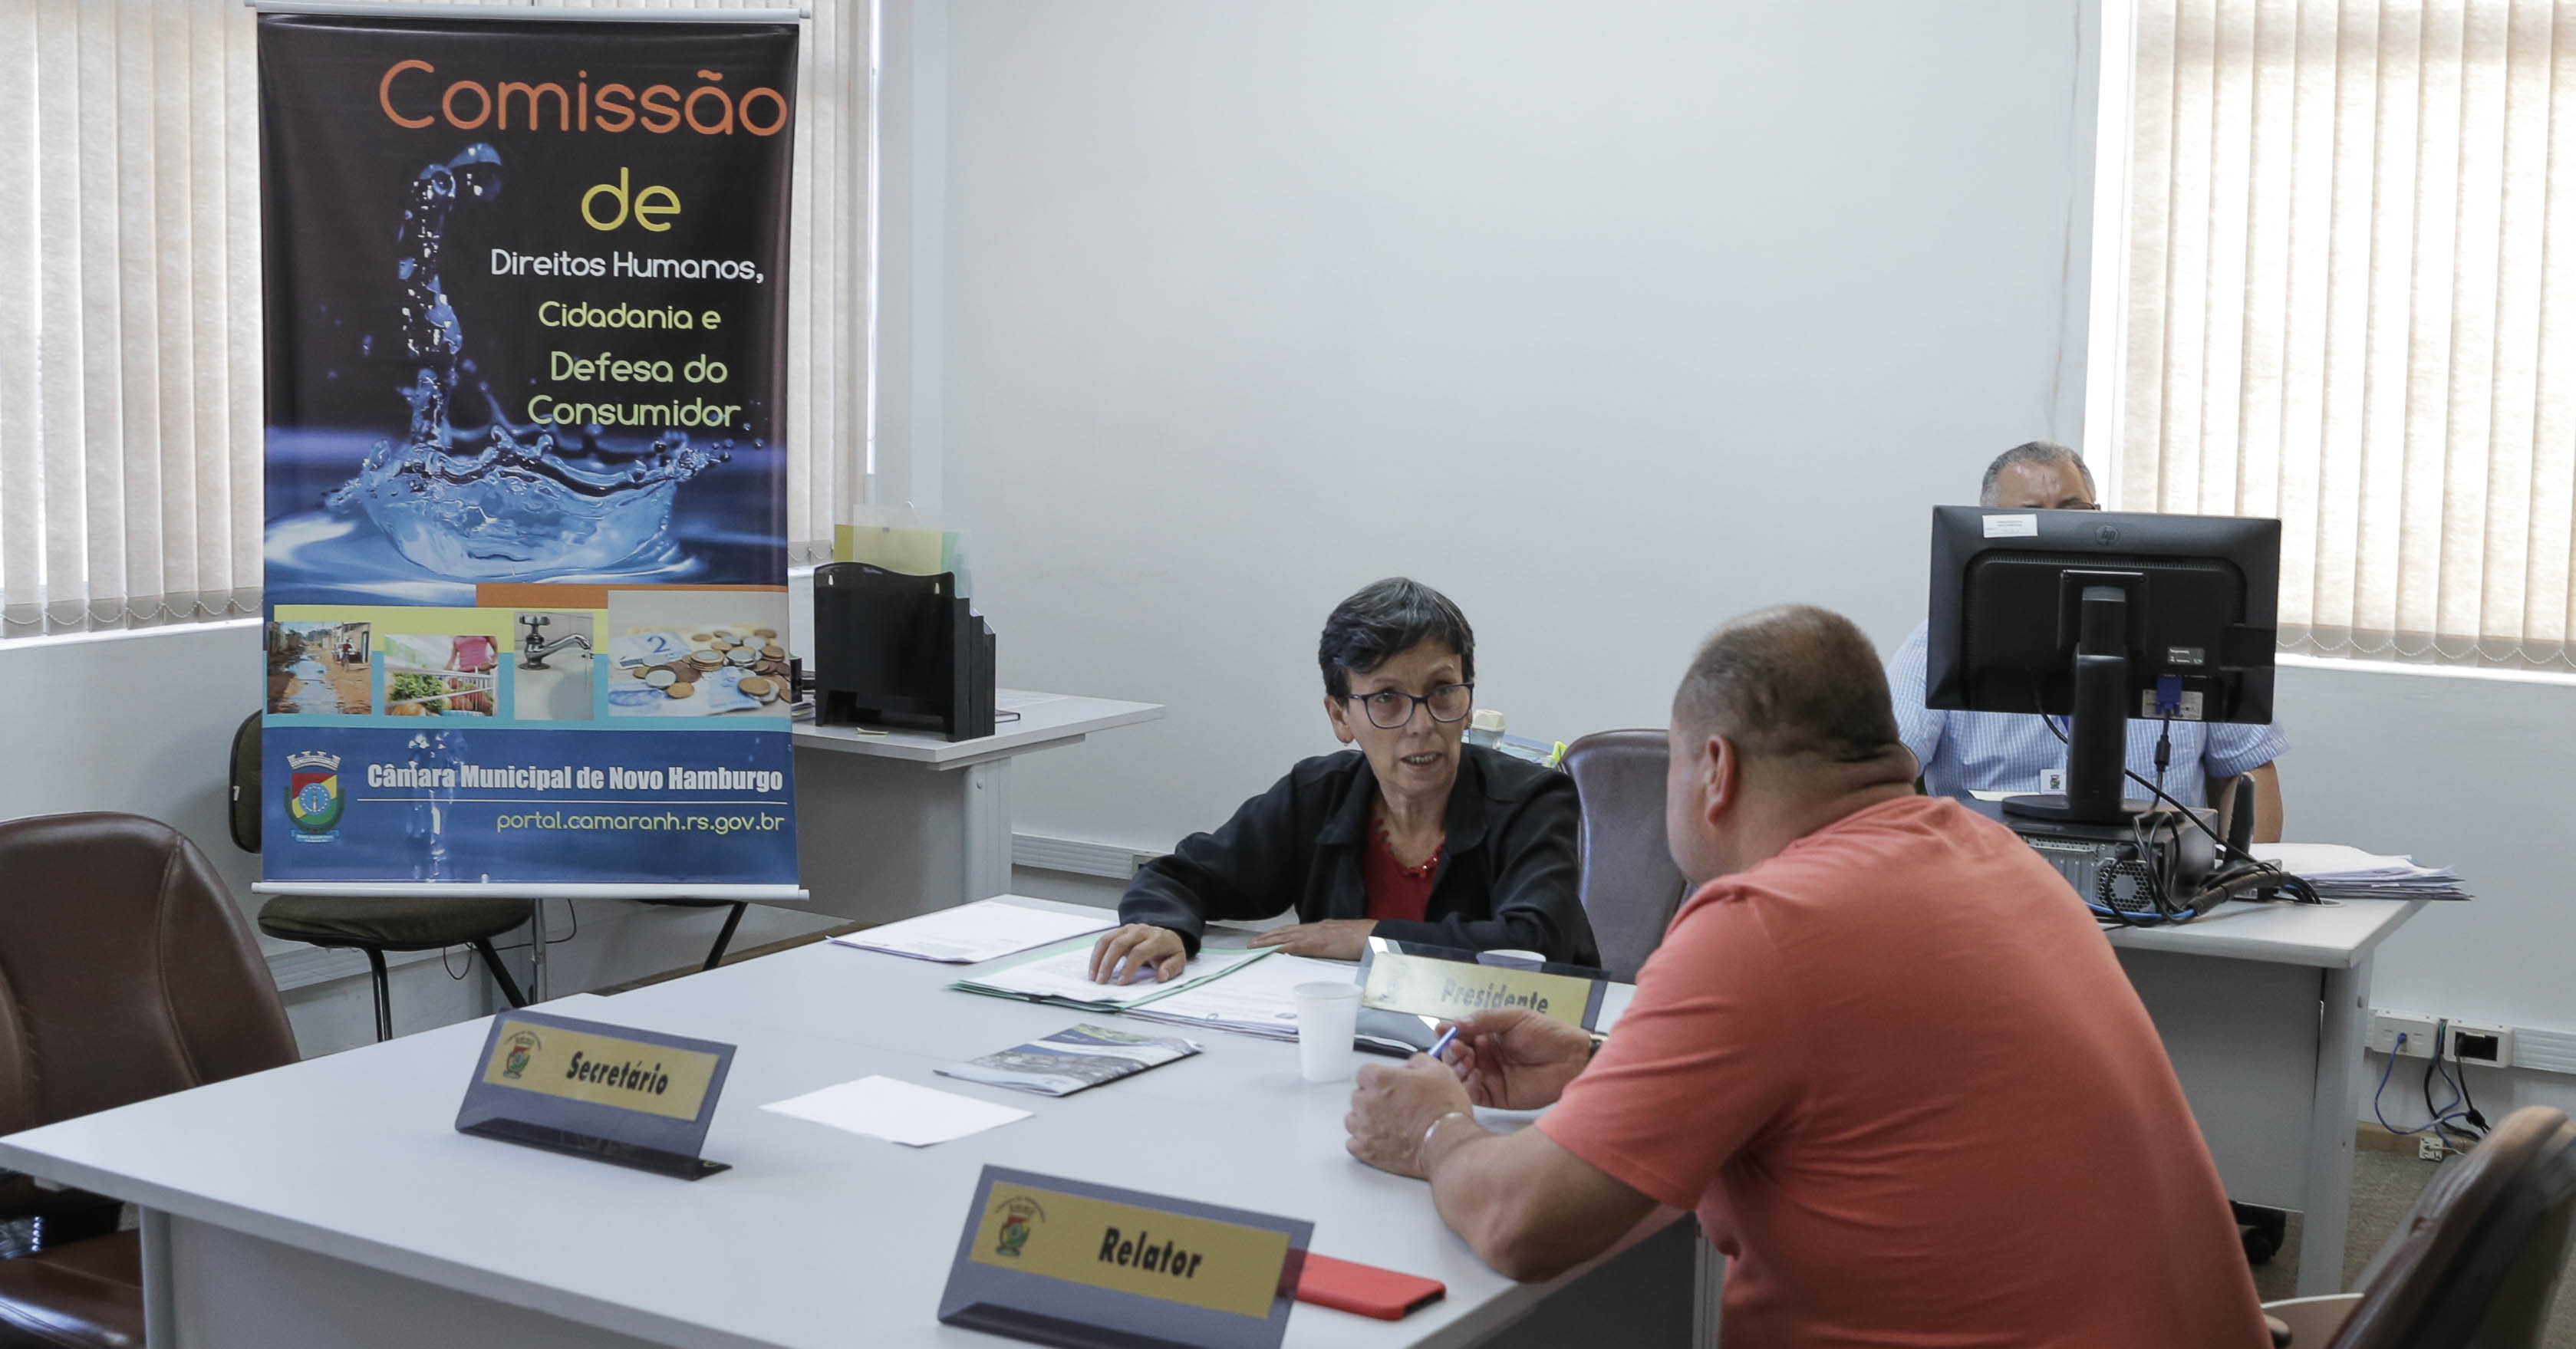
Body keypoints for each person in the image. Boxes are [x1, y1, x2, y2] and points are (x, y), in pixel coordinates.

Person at [1340, 606, 2270, 1347]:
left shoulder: (1761, 921)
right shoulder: (1995, 856)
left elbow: (1520, 1223)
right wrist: (1599, 1063)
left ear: (1714, 770)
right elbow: (1849, 1077)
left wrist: (1433, 1128)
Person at [1088, 577, 1596, 985]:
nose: (1421, 724)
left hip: (1509, 1045)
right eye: (1386, 698)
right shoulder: (1318, 795)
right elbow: (1179, 878)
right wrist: (1166, 927)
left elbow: (1533, 943)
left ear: (1468, 702)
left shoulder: (1531, 800)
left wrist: (1371, 937)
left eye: (1443, 691)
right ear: (1340, 717)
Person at [1886, 441, 2288, 840]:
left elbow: (2249, 771)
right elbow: (1888, 761)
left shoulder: (2195, 634)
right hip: (1989, 865)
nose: (2057, 536)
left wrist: (2244, 871)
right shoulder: (1941, 643)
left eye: (2073, 513)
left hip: (2155, 867)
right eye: (2031, 519)